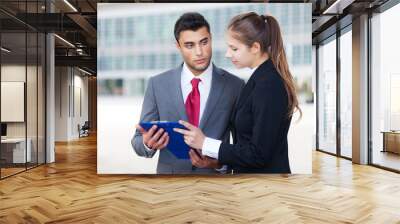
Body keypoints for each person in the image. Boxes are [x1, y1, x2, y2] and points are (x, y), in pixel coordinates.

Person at [174, 12, 301, 174]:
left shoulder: (269, 85)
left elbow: (259, 154)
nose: (228, 54)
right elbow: (247, 146)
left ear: (255, 47)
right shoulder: (258, 80)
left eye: (234, 48)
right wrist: (216, 163)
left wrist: (205, 143)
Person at [131, 12, 244, 174]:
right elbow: (137, 141)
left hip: (215, 186)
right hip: (170, 186)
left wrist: (219, 163)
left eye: (204, 42)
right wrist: (147, 143)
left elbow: (243, 148)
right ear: (178, 46)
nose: (199, 52)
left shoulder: (235, 86)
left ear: (211, 38)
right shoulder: (157, 84)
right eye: (190, 45)